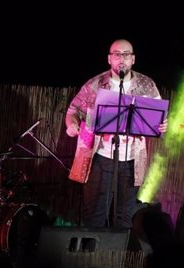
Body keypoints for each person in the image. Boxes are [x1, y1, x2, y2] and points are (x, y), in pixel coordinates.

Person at [65, 39, 167, 229]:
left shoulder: (147, 85)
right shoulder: (95, 84)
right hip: (100, 157)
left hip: (131, 160)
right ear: (109, 59)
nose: (122, 58)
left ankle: (118, 257)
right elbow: (73, 110)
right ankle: (93, 256)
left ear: (133, 59)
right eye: (117, 54)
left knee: (124, 217)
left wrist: (161, 126)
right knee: (94, 215)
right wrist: (72, 124)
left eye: (126, 54)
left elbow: (158, 118)